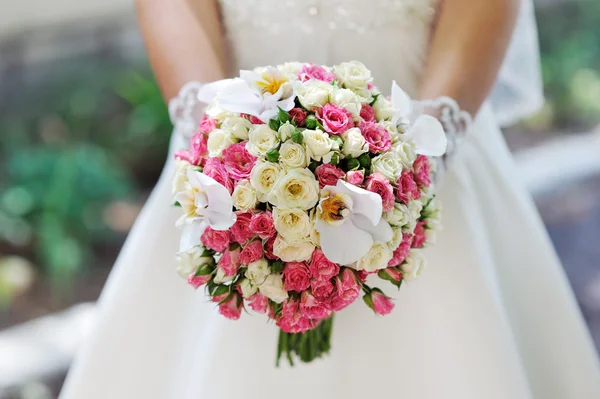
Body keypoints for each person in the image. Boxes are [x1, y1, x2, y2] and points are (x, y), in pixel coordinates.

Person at [59, 0, 600, 398]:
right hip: (232, 165)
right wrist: (216, 140)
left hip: (421, 139)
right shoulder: (223, 151)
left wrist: (422, 152)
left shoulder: (424, 149)